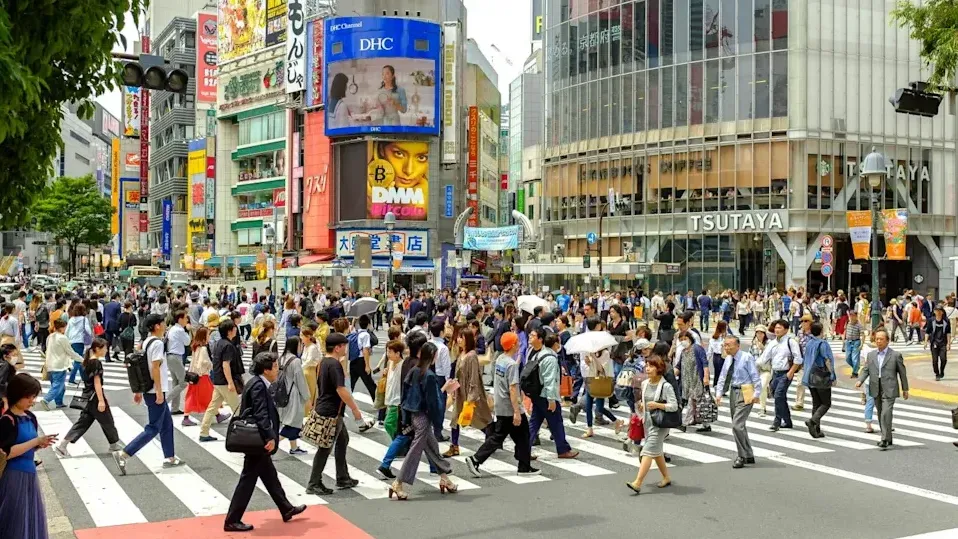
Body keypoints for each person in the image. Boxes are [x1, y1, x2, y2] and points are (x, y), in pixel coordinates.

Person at [223, 352, 307, 532]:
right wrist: (269, 437)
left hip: (256, 438)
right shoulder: (258, 386)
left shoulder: (257, 382)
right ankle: (232, 520)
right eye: (275, 366)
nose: (278, 369)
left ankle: (286, 508)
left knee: (269, 475)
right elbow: (261, 414)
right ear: (266, 370)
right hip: (257, 439)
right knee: (248, 479)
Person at [112, 314, 185, 474]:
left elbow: (140, 367)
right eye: (163, 323)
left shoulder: (146, 341)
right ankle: (124, 454)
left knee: (167, 424)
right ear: (157, 326)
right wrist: (159, 391)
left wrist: (139, 390)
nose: (165, 325)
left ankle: (170, 457)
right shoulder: (157, 343)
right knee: (153, 427)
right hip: (155, 390)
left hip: (149, 388)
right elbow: (155, 367)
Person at [389, 342, 458, 500]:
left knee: (432, 448)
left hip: (413, 415)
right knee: (415, 451)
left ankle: (445, 478)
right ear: (432, 356)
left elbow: (406, 394)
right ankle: (398, 482)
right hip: (424, 417)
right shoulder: (429, 375)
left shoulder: (414, 371)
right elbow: (433, 402)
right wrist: (438, 421)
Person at [465, 331, 539, 477]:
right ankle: (476, 459)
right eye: (517, 342)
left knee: (517, 435)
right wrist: (517, 411)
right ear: (513, 345)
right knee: (510, 435)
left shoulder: (500, 359)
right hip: (510, 407)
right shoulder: (511, 365)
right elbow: (513, 388)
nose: (519, 344)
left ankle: (524, 465)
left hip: (501, 404)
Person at [305, 333, 370, 496]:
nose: (346, 349)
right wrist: (355, 409)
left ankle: (343, 477)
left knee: (342, 440)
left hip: (326, 407)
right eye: (344, 346)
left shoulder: (323, 362)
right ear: (337, 348)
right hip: (331, 411)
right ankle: (314, 483)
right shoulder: (334, 365)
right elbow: (340, 389)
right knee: (325, 447)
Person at [0, 373, 57, 539]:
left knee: (30, 518)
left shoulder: (31, 417)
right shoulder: (7, 420)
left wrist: (39, 444)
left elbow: (28, 446)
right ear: (17, 395)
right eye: (29, 397)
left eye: (34, 397)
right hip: (13, 476)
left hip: (30, 473)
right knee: (15, 520)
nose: (32, 401)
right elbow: (6, 453)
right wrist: (35, 442)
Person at [55, 338, 122, 456]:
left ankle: (63, 445)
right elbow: (97, 382)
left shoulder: (86, 362)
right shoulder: (96, 363)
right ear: (97, 349)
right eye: (105, 348)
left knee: (83, 422)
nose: (107, 350)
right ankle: (114, 445)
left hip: (87, 395)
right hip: (95, 397)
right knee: (107, 421)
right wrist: (101, 400)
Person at [626, 355, 676, 494]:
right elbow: (645, 400)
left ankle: (638, 482)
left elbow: (674, 406)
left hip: (660, 423)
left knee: (647, 451)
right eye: (647, 365)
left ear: (659, 368)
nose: (647, 369)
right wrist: (643, 405)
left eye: (651, 366)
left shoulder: (666, 386)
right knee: (657, 452)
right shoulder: (645, 383)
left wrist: (658, 405)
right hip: (647, 421)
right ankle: (666, 477)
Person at [856, 329, 909, 450]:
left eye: (881, 339)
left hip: (889, 388)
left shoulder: (895, 355)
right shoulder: (871, 355)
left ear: (887, 341)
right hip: (875, 386)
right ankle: (888, 437)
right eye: (877, 339)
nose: (878, 341)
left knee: (886, 412)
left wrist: (905, 389)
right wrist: (860, 380)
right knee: (880, 413)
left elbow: (902, 373)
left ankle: (884, 438)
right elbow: (866, 369)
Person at [443, 327, 492, 457]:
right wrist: (453, 390)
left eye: (462, 337)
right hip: (460, 393)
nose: (459, 340)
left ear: (468, 340)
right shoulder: (462, 354)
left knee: (476, 419)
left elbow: (474, 378)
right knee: (455, 419)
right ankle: (454, 446)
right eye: (458, 337)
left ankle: (492, 438)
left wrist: (471, 397)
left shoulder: (471, 356)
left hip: (470, 394)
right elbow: (458, 375)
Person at [714, 336, 762, 469]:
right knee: (740, 425)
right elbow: (723, 376)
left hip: (746, 391)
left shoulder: (746, 357)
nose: (726, 348)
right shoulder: (728, 359)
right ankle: (749, 454)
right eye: (725, 345)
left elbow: (755, 376)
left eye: (729, 345)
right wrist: (718, 393)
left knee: (737, 425)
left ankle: (741, 455)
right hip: (733, 391)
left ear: (737, 346)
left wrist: (757, 393)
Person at [198, 320, 244, 442]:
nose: (236, 330)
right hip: (225, 381)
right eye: (234, 328)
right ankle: (241, 434)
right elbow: (226, 365)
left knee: (212, 407)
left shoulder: (219, 343)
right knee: (238, 409)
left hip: (218, 380)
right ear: (229, 331)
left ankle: (204, 432)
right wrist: (230, 382)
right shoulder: (228, 345)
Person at [757, 319, 803, 432]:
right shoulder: (772, 343)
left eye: (779, 328)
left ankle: (776, 422)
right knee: (780, 397)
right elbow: (763, 358)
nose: (777, 330)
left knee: (778, 396)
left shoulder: (791, 342)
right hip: (775, 373)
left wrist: (790, 372)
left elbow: (798, 359)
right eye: (776, 328)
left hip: (786, 373)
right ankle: (787, 421)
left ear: (786, 330)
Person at [183, 327, 226, 428]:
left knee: (194, 396)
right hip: (202, 376)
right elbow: (203, 362)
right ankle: (217, 415)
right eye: (207, 335)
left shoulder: (195, 347)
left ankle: (217, 415)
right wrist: (211, 365)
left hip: (194, 376)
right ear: (203, 336)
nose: (209, 336)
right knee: (210, 395)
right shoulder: (203, 349)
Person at [801, 322, 836, 438]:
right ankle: (812, 421)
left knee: (816, 403)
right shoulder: (822, 344)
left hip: (809, 375)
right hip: (821, 376)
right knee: (826, 403)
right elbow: (827, 360)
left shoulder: (809, 342)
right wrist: (832, 375)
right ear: (821, 331)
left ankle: (816, 429)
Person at [276, 336, 309, 455]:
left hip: (282, 392)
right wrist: (307, 396)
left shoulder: (281, 358)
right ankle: (273, 442)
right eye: (300, 345)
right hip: (293, 394)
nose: (301, 347)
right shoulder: (295, 361)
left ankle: (294, 448)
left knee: (290, 420)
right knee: (294, 422)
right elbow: (300, 380)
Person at [38, 319, 79, 410]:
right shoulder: (62, 338)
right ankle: (46, 400)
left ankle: (59, 402)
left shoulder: (50, 336)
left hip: (50, 364)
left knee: (59, 385)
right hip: (59, 365)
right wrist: (82, 359)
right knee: (58, 386)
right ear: (62, 328)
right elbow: (70, 352)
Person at [166, 310, 192, 417]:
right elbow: (187, 342)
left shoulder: (172, 328)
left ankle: (175, 408)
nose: (187, 320)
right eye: (185, 318)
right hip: (176, 357)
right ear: (180, 319)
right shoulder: (180, 330)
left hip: (170, 356)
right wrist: (188, 330)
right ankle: (165, 401)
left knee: (176, 382)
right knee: (183, 382)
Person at [66, 303, 92, 384]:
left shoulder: (71, 319)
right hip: (80, 340)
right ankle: (71, 379)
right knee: (78, 360)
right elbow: (88, 330)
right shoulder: (84, 319)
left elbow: (67, 331)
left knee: (79, 359)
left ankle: (84, 377)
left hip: (72, 340)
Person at [925, 306, 951, 381]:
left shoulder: (946, 320)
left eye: (940, 311)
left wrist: (948, 344)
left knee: (943, 359)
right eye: (936, 311)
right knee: (935, 360)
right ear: (934, 312)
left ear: (942, 312)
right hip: (934, 343)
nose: (938, 312)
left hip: (943, 343)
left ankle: (942, 371)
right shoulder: (931, 320)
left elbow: (948, 333)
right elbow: (927, 332)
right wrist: (925, 342)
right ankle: (937, 374)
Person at [844, 311, 865, 378]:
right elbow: (845, 331)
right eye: (850, 316)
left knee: (854, 358)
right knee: (847, 358)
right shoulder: (848, 323)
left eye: (853, 316)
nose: (852, 317)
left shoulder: (859, 325)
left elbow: (863, 335)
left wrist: (862, 344)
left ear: (856, 316)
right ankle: (856, 367)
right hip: (848, 342)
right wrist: (844, 341)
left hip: (856, 342)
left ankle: (855, 373)